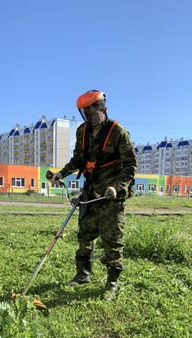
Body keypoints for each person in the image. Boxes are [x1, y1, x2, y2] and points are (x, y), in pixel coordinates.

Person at [48, 90, 137, 300]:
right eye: (85, 112)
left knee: (113, 240)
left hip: (111, 196)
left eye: (91, 111)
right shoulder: (83, 131)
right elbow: (78, 159)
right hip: (90, 192)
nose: (88, 116)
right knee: (85, 235)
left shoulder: (118, 132)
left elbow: (130, 167)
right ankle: (83, 274)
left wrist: (117, 187)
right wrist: (62, 173)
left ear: (102, 107)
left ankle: (112, 284)